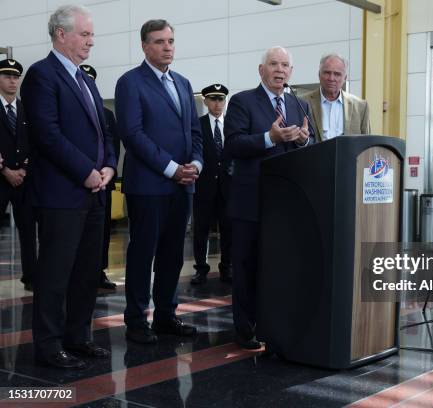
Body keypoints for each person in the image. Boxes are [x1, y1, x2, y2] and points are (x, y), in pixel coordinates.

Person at [20, 4, 116, 369]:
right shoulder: (41, 76)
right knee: (55, 274)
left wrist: (107, 166)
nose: (91, 41)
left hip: (94, 192)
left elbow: (105, 130)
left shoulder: (86, 80)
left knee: (86, 272)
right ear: (61, 34)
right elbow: (47, 134)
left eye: (92, 34)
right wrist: (85, 172)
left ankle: (78, 337)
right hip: (62, 193)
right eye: (85, 34)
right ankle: (48, 346)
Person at [115, 19, 203, 344]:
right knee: (143, 254)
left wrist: (195, 164)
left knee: (173, 255)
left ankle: (166, 315)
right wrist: (171, 168)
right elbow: (133, 135)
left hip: (183, 186)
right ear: (144, 46)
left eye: (170, 41)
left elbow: (195, 131)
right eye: (159, 41)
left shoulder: (182, 82)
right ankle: (137, 321)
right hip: (149, 186)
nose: (167, 47)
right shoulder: (130, 83)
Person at [224, 46, 314, 349]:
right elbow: (234, 144)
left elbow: (310, 141)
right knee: (247, 266)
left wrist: (304, 140)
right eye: (274, 64)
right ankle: (245, 329)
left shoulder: (300, 105)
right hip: (250, 202)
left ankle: (274, 325)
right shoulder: (242, 101)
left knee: (279, 267)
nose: (280, 70)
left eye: (285, 65)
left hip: (285, 205)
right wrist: (269, 138)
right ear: (261, 70)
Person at [79, 64, 120, 291]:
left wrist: (109, 170)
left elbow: (114, 144)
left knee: (102, 231)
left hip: (103, 182)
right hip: (77, 179)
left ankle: (99, 271)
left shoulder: (106, 113)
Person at [0, 58, 37, 292]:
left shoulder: (26, 109)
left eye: (16, 77)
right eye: (7, 76)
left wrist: (24, 169)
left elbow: (35, 143)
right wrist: (5, 170)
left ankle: (31, 276)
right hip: (0, 178)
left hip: (24, 180)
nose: (12, 81)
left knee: (28, 229)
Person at [191, 84, 233, 286]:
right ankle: (201, 269)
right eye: (214, 99)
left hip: (227, 187)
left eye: (221, 99)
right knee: (201, 230)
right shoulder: (198, 124)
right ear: (206, 101)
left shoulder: (232, 125)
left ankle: (227, 268)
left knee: (228, 230)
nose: (218, 104)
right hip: (204, 186)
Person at [303, 53, 370, 142]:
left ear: (345, 78)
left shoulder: (360, 107)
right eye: (327, 73)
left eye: (337, 74)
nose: (331, 78)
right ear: (319, 75)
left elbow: (367, 142)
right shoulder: (302, 102)